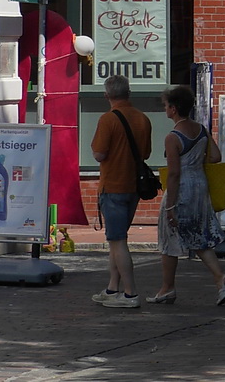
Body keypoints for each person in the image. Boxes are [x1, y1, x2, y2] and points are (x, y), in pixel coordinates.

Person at [148, 84, 225, 306]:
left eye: (166, 106)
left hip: (182, 189)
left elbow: (174, 173)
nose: (165, 109)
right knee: (199, 235)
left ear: (174, 108)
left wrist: (170, 206)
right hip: (200, 186)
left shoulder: (173, 136)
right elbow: (215, 156)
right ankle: (219, 278)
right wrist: (196, 160)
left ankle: (168, 287)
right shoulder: (201, 129)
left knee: (168, 237)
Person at [87, 73, 152, 309]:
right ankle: (112, 288)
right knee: (117, 240)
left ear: (107, 95)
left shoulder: (108, 120)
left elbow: (99, 154)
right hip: (134, 187)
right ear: (129, 93)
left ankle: (130, 293)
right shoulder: (143, 119)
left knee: (117, 241)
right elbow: (145, 153)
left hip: (112, 186)